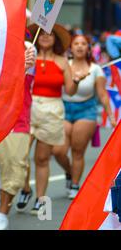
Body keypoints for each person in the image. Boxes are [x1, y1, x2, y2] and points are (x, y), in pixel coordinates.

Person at [21, 23, 87, 216]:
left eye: (49, 34)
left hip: (52, 110)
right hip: (28, 107)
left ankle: (40, 200)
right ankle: (25, 189)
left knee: (42, 158)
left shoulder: (62, 62)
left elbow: (70, 91)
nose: (45, 36)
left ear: (55, 40)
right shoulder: (28, 58)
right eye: (41, 33)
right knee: (20, 157)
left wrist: (75, 81)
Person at [0, 40, 37, 230]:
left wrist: (23, 66)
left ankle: (2, 214)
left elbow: (24, 77)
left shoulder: (29, 47)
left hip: (17, 119)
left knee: (14, 168)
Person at [53, 35, 117, 199]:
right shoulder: (64, 65)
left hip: (86, 111)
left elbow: (102, 95)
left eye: (83, 44)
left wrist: (110, 115)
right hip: (63, 109)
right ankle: (69, 172)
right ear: (71, 47)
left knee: (77, 151)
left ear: (88, 48)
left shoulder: (96, 69)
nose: (80, 47)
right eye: (76, 43)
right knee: (58, 151)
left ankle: (74, 184)